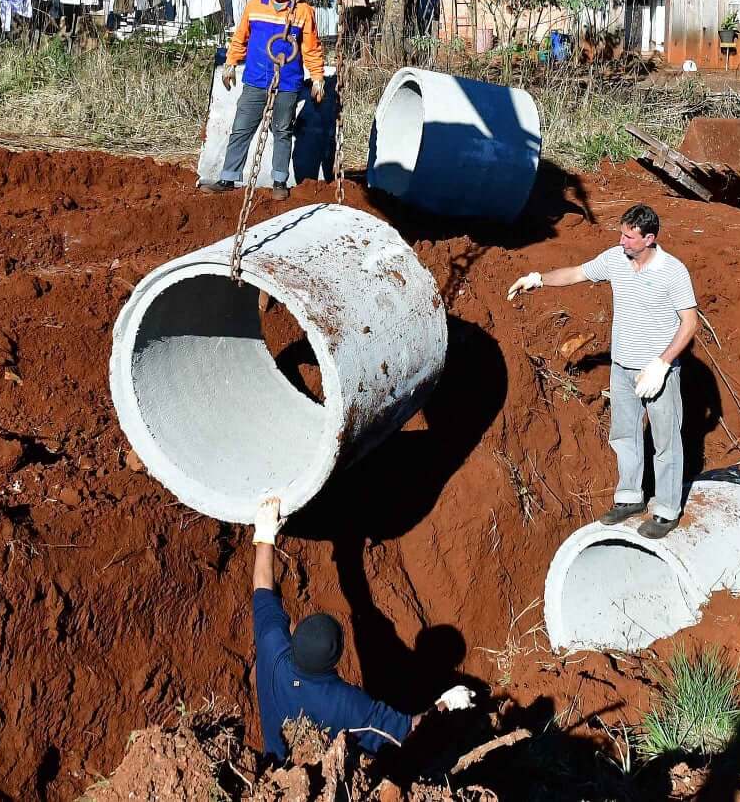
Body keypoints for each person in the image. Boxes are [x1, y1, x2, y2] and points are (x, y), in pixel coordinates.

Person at [507, 204, 698, 538]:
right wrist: (538, 279)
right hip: (622, 367)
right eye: (621, 233)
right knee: (624, 435)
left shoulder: (673, 272)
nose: (621, 240)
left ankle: (666, 510)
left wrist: (662, 363)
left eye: (629, 236)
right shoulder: (615, 259)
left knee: (666, 441)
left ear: (649, 239)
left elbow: (689, 322)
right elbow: (577, 273)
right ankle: (629, 498)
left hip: (657, 372)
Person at [249, 498, 473, 761]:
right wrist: (447, 703)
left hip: (272, 776)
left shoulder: (272, 647)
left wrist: (264, 535)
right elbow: (405, 733)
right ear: (335, 660)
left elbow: (262, 586)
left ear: (294, 638)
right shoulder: (348, 704)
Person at [204, 0, 325, 201]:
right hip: (255, 80)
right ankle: (228, 177)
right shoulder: (254, 7)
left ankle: (279, 181)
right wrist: (230, 63)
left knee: (282, 131)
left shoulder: (302, 12)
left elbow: (311, 49)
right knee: (241, 129)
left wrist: (318, 77)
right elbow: (240, 38)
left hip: (288, 84)